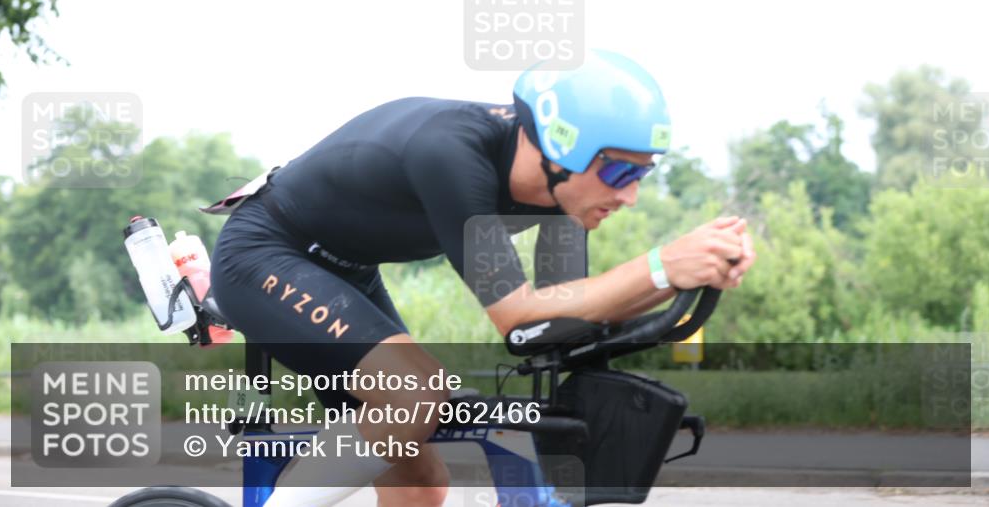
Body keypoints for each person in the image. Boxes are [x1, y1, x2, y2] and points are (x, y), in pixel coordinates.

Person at [207, 49, 756, 507]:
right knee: (415, 394)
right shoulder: (451, 155)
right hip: (263, 253)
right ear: (562, 146)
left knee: (421, 483)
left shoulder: (560, 196)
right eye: (618, 171)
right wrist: (661, 265)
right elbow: (517, 317)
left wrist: (682, 280)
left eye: (642, 173)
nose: (629, 195)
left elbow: (559, 322)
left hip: (345, 268)